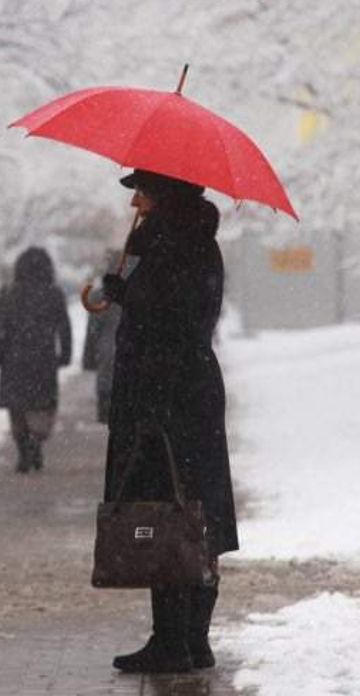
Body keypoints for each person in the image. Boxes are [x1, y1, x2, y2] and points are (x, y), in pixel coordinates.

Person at [100, 168, 239, 673]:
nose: (135, 200)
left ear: (162, 195)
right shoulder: (194, 240)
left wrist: (126, 294)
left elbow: (170, 319)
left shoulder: (170, 244)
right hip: (191, 394)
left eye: (142, 190)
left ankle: (172, 641)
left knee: (165, 514)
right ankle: (193, 638)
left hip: (165, 400)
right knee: (195, 512)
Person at [0, 247, 72, 473]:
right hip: (43, 360)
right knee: (43, 405)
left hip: (13, 360)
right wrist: (65, 355)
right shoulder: (54, 293)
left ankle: (23, 448)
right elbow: (64, 327)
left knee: (17, 408)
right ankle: (37, 442)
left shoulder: (10, 292)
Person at [82, 249, 124, 424]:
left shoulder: (100, 296)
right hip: (128, 356)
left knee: (108, 414)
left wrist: (89, 359)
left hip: (106, 356)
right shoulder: (138, 292)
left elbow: (93, 331)